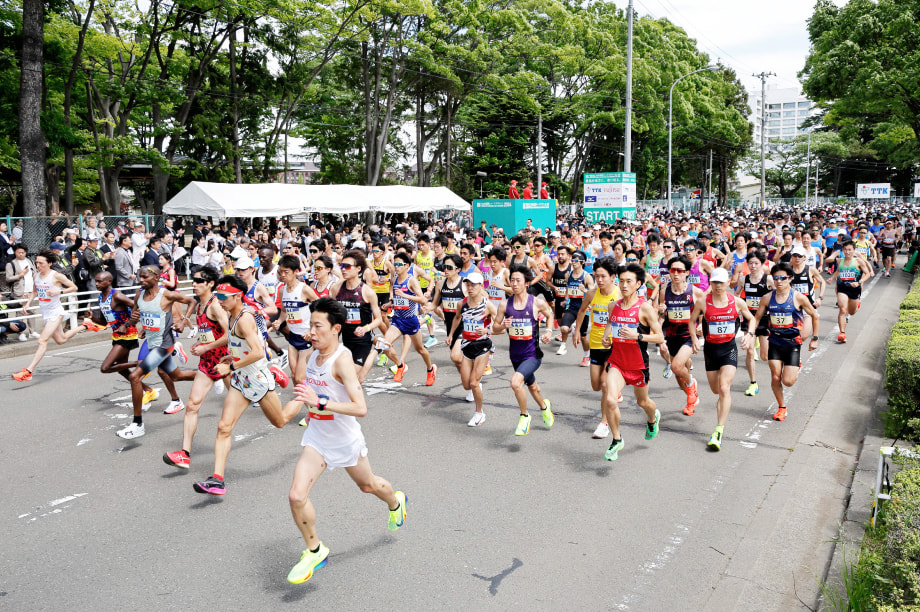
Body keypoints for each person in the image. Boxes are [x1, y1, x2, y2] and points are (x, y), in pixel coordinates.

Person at [285, 297, 407, 584]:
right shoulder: (313, 354)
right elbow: (303, 387)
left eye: (318, 326)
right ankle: (315, 550)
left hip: (344, 438)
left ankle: (395, 501)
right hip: (317, 436)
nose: (311, 331)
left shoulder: (342, 360)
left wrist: (322, 403)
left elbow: (360, 408)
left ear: (336, 328)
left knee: (368, 486)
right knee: (296, 495)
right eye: (310, 325)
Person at [191, 274, 300, 496]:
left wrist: (230, 368)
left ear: (238, 296)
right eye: (217, 295)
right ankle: (217, 479)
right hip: (242, 378)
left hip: (257, 378)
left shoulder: (243, 318)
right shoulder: (231, 315)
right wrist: (232, 358)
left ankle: (303, 398)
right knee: (223, 426)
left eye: (223, 296)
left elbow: (259, 352)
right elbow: (242, 344)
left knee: (280, 421)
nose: (219, 300)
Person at [163, 266, 231, 470]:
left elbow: (231, 334)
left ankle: (269, 378)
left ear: (211, 284)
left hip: (225, 362)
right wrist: (199, 345)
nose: (194, 284)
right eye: (193, 280)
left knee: (250, 396)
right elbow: (208, 333)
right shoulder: (200, 307)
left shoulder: (215, 306)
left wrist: (206, 346)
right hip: (207, 363)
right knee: (192, 405)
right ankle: (184, 454)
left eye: (199, 281)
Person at [601, 263, 665, 461]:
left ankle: (653, 419)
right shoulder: (614, 305)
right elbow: (611, 323)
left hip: (638, 364)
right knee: (610, 399)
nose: (624, 285)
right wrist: (606, 337)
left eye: (629, 281)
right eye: (621, 281)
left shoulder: (644, 308)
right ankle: (617, 439)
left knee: (642, 402)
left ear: (638, 284)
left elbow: (660, 337)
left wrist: (637, 336)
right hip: (617, 361)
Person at [688, 267, 755, 451]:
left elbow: (752, 319)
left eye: (721, 282)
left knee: (724, 388)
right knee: (716, 390)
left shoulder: (737, 302)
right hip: (710, 350)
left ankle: (718, 430)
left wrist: (749, 334)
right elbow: (691, 321)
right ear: (711, 283)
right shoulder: (703, 302)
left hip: (728, 350)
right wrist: (694, 338)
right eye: (714, 282)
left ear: (727, 283)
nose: (718, 285)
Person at [749, 262, 821, 422]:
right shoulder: (767, 298)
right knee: (775, 377)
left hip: (793, 343)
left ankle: (795, 365)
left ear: (790, 279)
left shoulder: (798, 297)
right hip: (774, 341)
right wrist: (749, 333)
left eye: (782, 278)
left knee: (787, 381)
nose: (779, 281)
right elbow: (757, 318)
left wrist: (814, 338)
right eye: (775, 278)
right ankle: (782, 407)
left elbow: (815, 316)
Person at [491, 265, 555, 434]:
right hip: (515, 355)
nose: (514, 283)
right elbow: (495, 327)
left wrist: (548, 331)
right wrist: (503, 325)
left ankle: (524, 416)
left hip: (532, 354)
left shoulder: (536, 303)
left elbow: (549, 315)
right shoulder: (505, 305)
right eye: (512, 280)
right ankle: (544, 407)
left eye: (518, 280)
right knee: (532, 387)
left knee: (515, 382)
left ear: (527, 283)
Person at [12, 249, 90, 382]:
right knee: (61, 340)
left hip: (56, 312)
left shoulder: (56, 276)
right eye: (36, 263)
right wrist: (28, 304)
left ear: (49, 263)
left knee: (42, 341)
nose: (38, 265)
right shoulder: (36, 276)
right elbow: (34, 292)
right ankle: (85, 326)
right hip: (45, 313)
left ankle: (28, 371)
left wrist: (58, 292)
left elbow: (74, 287)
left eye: (41, 263)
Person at [573, 259, 620, 439]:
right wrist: (577, 330)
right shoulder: (592, 294)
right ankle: (615, 388)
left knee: (604, 384)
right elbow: (581, 310)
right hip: (595, 344)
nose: (599, 280)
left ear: (613, 277)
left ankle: (604, 423)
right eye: (596, 276)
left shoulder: (619, 295)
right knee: (595, 385)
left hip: (613, 345)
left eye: (603, 276)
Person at [378, 251, 437, 386]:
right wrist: (390, 304)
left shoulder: (411, 280)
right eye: (395, 264)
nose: (396, 267)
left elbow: (422, 299)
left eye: (399, 264)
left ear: (407, 266)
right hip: (397, 320)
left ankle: (430, 369)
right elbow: (397, 298)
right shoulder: (394, 279)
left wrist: (406, 296)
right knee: (383, 345)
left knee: (420, 349)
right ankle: (400, 366)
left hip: (411, 320)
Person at [445, 272, 496, 426]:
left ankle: (479, 413)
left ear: (481, 286)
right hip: (466, 345)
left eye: (473, 284)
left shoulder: (487, 304)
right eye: (468, 284)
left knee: (473, 383)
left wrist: (489, 330)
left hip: (483, 345)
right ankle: (476, 387)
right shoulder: (462, 304)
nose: (470, 287)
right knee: (467, 385)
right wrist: (451, 334)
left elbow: (498, 324)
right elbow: (457, 318)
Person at [659, 255, 705, 416]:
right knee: (679, 378)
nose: (676, 274)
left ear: (686, 273)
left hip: (689, 335)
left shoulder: (695, 292)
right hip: (672, 334)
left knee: (676, 366)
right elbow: (661, 314)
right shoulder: (664, 290)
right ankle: (691, 400)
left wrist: (702, 328)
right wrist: (659, 334)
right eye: (673, 270)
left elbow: (706, 313)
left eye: (680, 270)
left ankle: (692, 385)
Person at [331, 249, 383, 384]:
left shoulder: (367, 292)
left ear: (358, 268)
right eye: (341, 266)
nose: (343, 269)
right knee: (353, 381)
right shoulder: (336, 289)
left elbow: (379, 319)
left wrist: (366, 328)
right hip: (345, 340)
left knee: (349, 380)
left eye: (347, 266)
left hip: (363, 341)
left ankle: (376, 350)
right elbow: (332, 313)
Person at [273, 254, 320, 384]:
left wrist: (312, 329)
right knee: (294, 375)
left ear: (295, 272)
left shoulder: (304, 289)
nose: (282, 275)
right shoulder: (282, 290)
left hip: (306, 337)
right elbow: (284, 310)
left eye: (286, 272)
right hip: (293, 336)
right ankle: (306, 398)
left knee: (300, 377)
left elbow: (320, 309)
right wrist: (280, 321)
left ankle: (312, 397)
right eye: (280, 271)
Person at [737, 250, 773, 396]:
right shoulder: (743, 280)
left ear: (762, 264)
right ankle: (753, 383)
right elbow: (736, 295)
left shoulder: (769, 279)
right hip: (749, 319)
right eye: (750, 263)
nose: (753, 266)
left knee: (765, 356)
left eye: (756, 263)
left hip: (764, 319)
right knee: (750, 351)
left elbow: (778, 295)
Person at [830, 240, 873, 343]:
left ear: (854, 250)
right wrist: (832, 278)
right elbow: (838, 271)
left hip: (854, 289)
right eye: (845, 250)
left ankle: (856, 304)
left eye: (849, 250)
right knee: (843, 309)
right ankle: (842, 333)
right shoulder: (840, 261)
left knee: (852, 312)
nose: (847, 252)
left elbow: (866, 274)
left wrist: (859, 282)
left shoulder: (859, 261)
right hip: (842, 288)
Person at [558, 249, 594, 361]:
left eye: (576, 260)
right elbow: (569, 289)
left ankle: (586, 355)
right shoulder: (567, 275)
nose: (573, 262)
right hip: (572, 307)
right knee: (564, 328)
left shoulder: (587, 276)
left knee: (583, 337)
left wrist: (584, 290)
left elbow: (593, 295)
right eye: (572, 260)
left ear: (582, 262)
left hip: (583, 309)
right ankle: (563, 346)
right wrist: (565, 299)